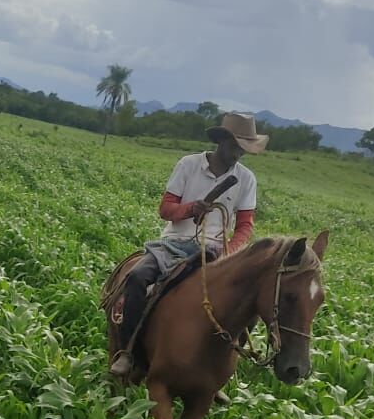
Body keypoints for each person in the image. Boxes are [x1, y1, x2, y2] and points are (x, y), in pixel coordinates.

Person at [109, 111, 267, 377]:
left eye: (243, 149)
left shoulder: (246, 178)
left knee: (248, 301)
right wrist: (192, 209)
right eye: (234, 147)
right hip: (174, 244)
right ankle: (128, 351)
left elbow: (245, 226)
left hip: (215, 252)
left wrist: (230, 252)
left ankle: (222, 371)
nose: (238, 153)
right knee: (137, 279)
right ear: (221, 141)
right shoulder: (189, 165)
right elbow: (165, 209)